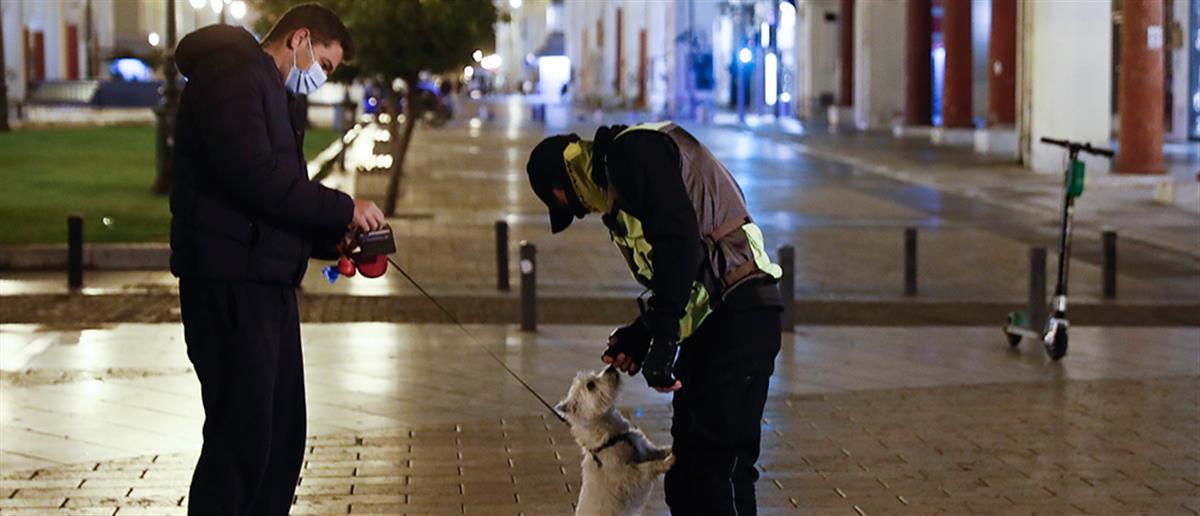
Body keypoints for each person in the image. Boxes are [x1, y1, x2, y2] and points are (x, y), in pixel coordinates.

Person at [169, 4, 385, 514]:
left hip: (266, 283)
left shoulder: (269, 88)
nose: (321, 77)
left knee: (281, 435)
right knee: (241, 439)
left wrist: (331, 239)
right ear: (299, 38)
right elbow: (255, 177)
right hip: (230, 283)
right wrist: (344, 208)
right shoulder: (232, 74)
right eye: (324, 65)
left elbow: (276, 200)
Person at [525, 122, 783, 515]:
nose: (582, 212)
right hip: (710, 323)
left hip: (740, 317)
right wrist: (642, 333)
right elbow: (678, 277)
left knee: (720, 471)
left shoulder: (631, 154)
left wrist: (663, 338)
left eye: (565, 204)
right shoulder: (621, 178)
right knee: (685, 475)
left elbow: (680, 246)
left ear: (564, 180)